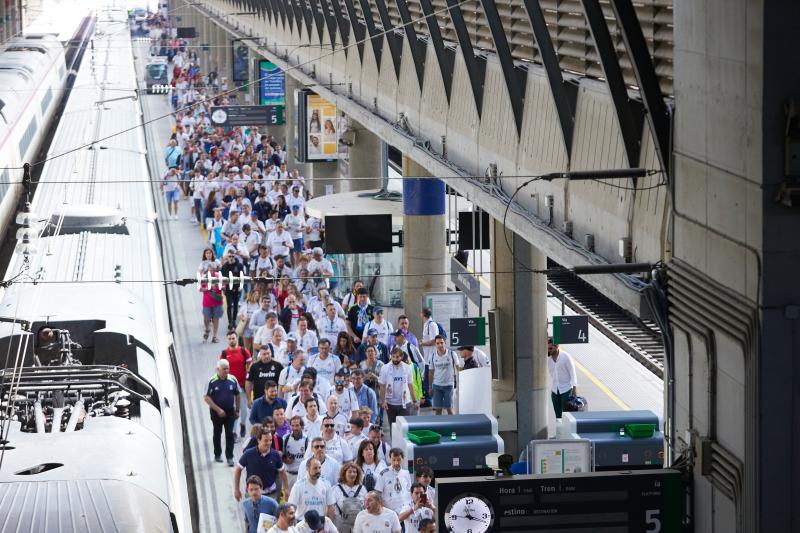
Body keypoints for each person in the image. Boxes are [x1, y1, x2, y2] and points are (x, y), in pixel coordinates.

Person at [234, 428, 288, 502]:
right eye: (266, 440)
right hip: (252, 494)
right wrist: (236, 489)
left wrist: (287, 489)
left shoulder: (275, 454)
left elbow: (282, 472)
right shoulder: (248, 454)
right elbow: (238, 469)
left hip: (270, 495)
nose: (269, 443)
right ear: (259, 440)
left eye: (270, 440)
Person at [203, 359, 240, 466]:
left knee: (229, 433)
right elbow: (206, 397)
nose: (226, 371)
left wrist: (237, 410)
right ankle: (217, 454)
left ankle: (230, 457)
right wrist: (218, 409)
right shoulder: (211, 381)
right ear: (218, 369)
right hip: (216, 412)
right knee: (217, 433)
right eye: (224, 369)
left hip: (229, 411)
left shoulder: (233, 380)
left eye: (228, 368)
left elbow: (237, 395)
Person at [221, 330, 252, 437]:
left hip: (242, 387)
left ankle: (243, 424)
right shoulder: (224, 354)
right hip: (230, 388)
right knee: (233, 410)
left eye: (233, 338)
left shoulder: (244, 351)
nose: (231, 340)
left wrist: (248, 380)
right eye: (229, 339)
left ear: (237, 338)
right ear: (227, 340)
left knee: (243, 410)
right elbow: (220, 371)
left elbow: (250, 366)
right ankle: (233, 432)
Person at [379, 347, 417, 426]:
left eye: (397, 357)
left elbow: (410, 385)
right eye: (393, 357)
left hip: (405, 403)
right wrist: (383, 401)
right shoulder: (385, 368)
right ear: (391, 356)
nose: (395, 359)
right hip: (390, 403)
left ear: (402, 356)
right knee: (393, 426)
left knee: (404, 427)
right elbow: (382, 386)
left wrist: (414, 401)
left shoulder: (407, 368)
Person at [426, 335, 460, 416]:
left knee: (450, 410)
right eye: (438, 343)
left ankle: (453, 428)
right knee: (438, 410)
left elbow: (458, 368)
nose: (440, 345)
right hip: (437, 386)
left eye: (442, 343)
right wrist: (430, 387)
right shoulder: (432, 356)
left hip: (449, 385)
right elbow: (431, 372)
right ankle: (439, 428)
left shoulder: (452, 354)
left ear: (445, 343)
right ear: (435, 344)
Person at [547, 337, 578, 419]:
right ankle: (559, 432)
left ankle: (568, 431)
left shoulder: (566, 357)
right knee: (558, 415)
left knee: (567, 415)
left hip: (566, 389)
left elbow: (573, 373)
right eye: (547, 348)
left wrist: (574, 390)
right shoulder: (547, 359)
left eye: (550, 348)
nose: (548, 350)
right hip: (554, 390)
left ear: (556, 346)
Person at [332, 463, 366, 533]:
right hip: (341, 524)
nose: (352, 474)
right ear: (344, 473)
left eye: (354, 472)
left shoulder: (362, 488)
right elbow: (333, 507)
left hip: (359, 523)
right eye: (349, 471)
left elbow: (366, 506)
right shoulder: (336, 489)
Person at [283, 416, 310, 490]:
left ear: (302, 426)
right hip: (288, 474)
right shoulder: (285, 439)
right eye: (293, 426)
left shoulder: (307, 440)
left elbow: (309, 459)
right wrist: (286, 460)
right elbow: (282, 456)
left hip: (301, 475)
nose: (295, 428)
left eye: (297, 425)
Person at [202, 266, 224, 343]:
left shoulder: (219, 276)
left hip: (217, 302)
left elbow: (224, 286)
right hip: (207, 302)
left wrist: (218, 286)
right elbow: (200, 289)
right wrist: (208, 287)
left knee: (216, 318)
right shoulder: (204, 277)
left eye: (213, 269)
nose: (211, 270)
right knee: (206, 318)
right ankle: (207, 329)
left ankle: (215, 336)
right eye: (210, 269)